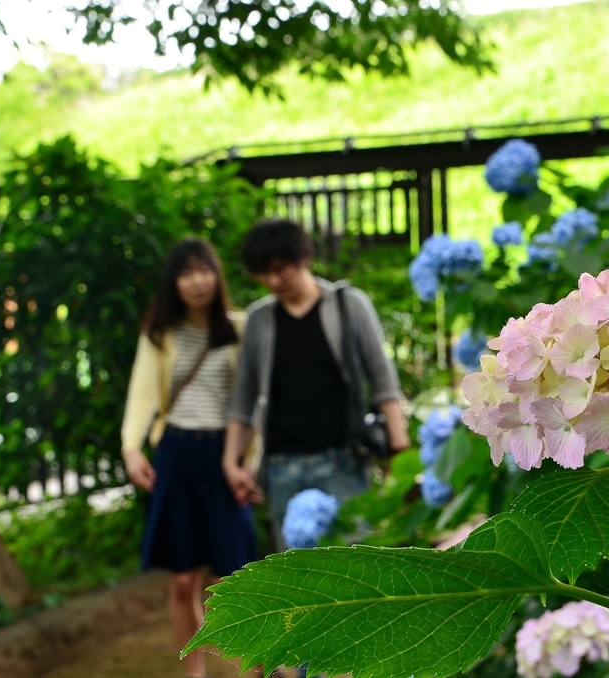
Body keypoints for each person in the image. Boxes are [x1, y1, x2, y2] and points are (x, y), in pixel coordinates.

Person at [221, 218, 411, 552]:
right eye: (264, 273)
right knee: (297, 578)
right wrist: (230, 460)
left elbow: (382, 379)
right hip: (281, 466)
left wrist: (399, 447)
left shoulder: (348, 305)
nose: (273, 280)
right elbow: (245, 396)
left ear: (305, 258)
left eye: (281, 269)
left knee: (356, 566)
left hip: (342, 461)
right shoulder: (259, 320)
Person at [120, 238, 257, 678]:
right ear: (173, 283)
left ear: (217, 276)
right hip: (176, 454)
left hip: (225, 457)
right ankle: (193, 672)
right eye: (186, 272)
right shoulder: (161, 334)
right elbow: (143, 391)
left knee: (234, 578)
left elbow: (255, 400)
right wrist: (130, 446)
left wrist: (248, 463)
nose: (197, 281)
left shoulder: (241, 329)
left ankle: (256, 667)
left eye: (205, 270)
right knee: (182, 578)